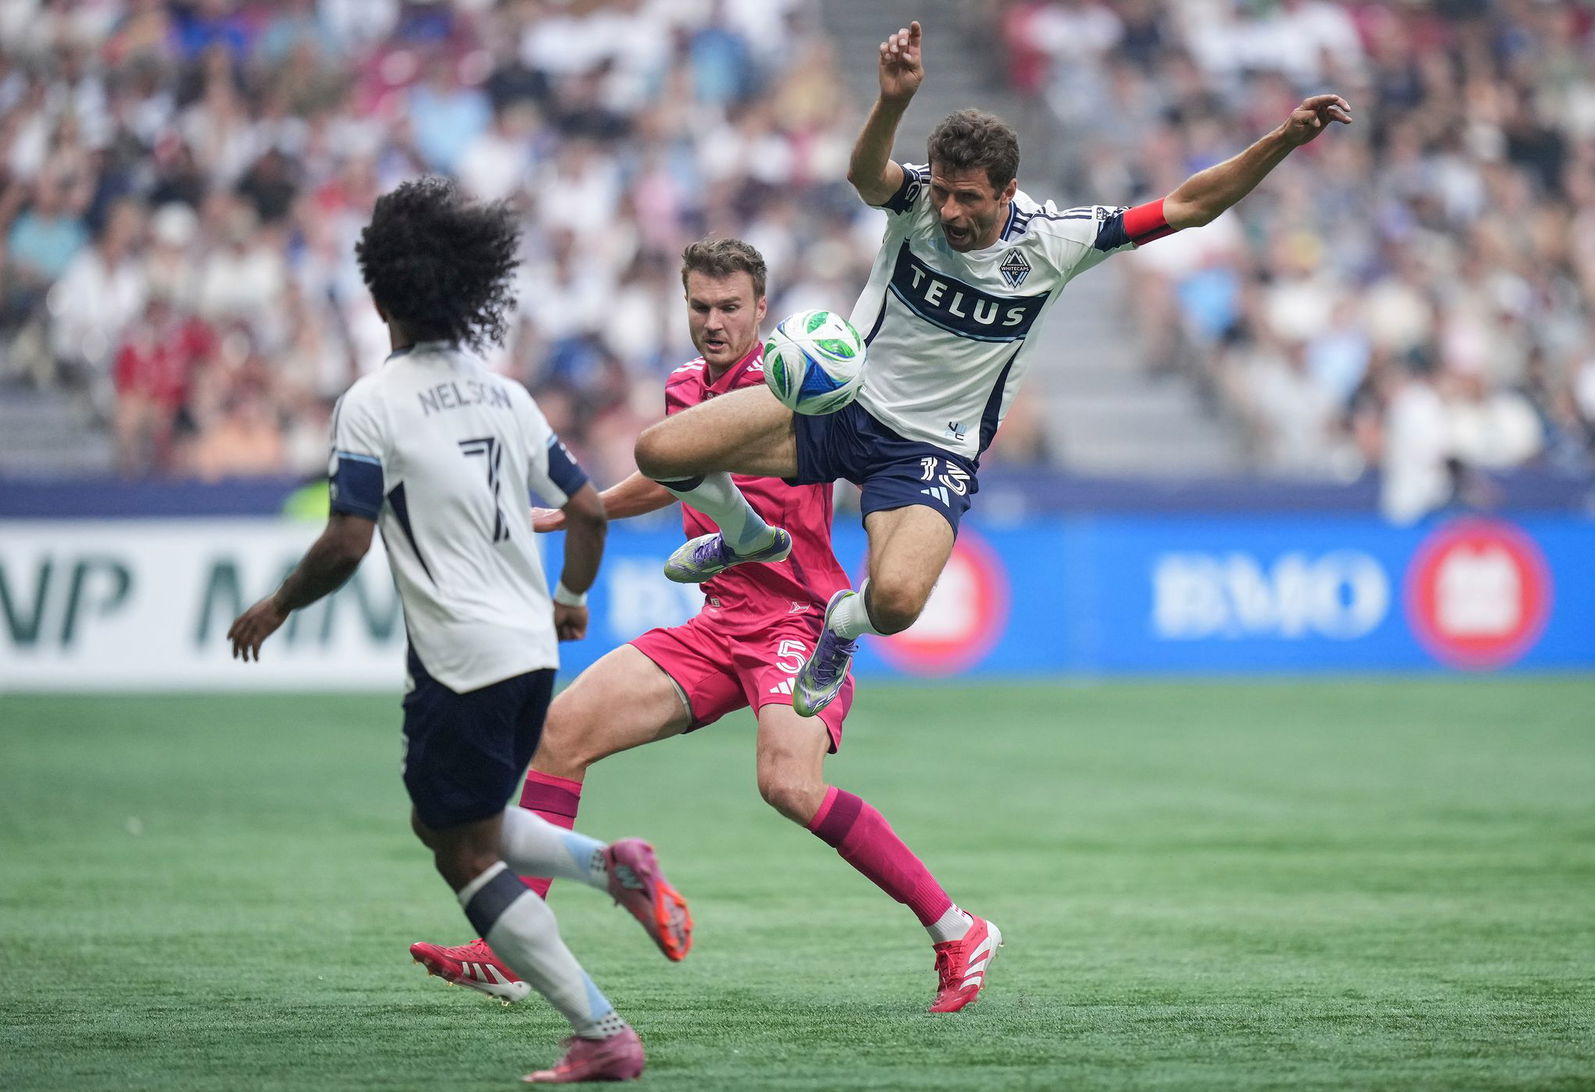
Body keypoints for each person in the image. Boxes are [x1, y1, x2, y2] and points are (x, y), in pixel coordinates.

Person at [629, 19, 1354, 718]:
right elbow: (862, 173)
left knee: (898, 602)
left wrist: (1284, 139)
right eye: (942, 190)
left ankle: (842, 626)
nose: (947, 209)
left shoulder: (1058, 242)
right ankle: (748, 534)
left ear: (1007, 192)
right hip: (843, 406)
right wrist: (892, 100)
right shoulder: (914, 203)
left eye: (966, 197)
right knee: (662, 451)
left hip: (929, 451)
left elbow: (1191, 206)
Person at [409, 237, 1001, 1014]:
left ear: (763, 309)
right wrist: (576, 510)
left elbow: (879, 444)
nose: (714, 322)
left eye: (730, 307)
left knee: (788, 784)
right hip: (721, 620)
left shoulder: (802, 382)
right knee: (561, 733)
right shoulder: (686, 385)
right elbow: (666, 474)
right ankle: (512, 950)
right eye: (700, 306)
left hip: (796, 617)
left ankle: (959, 930)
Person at [226, 177, 686, 1085]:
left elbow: (349, 538)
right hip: (530, 655)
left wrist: (278, 603)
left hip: (459, 661)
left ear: (382, 292)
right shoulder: (503, 395)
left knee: (462, 852)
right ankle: (612, 865)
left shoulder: (374, 403)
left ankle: (602, 1031)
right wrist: (573, 598)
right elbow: (589, 507)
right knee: (450, 821)